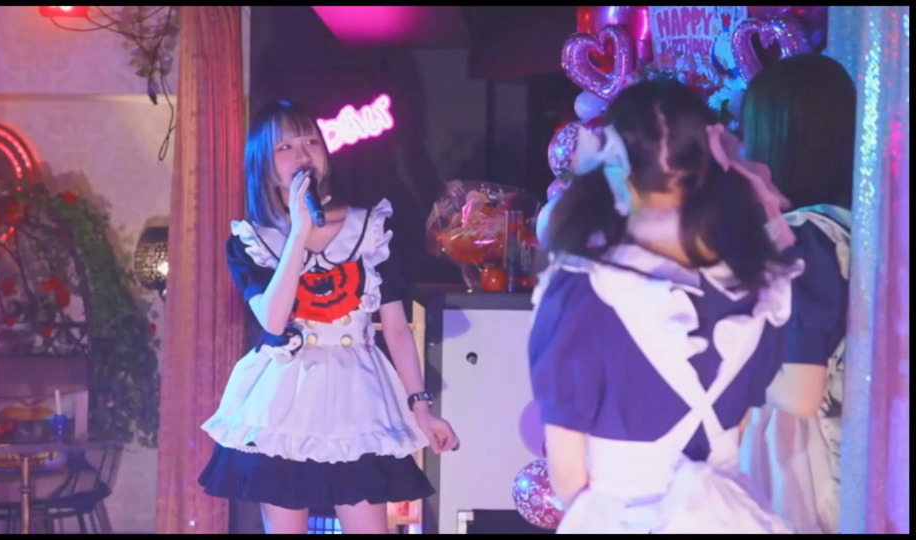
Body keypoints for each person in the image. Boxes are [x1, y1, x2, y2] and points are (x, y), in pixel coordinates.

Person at [529, 78, 819, 533]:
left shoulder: (580, 292)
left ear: (616, 172)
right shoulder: (763, 289)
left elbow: (567, 476)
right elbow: (738, 428)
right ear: (710, 170)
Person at [198, 100, 459, 534]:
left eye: (310, 141)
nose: (303, 153)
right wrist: (299, 233)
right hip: (283, 403)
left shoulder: (370, 229)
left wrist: (422, 409)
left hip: (357, 397)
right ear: (265, 168)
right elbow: (273, 322)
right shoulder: (252, 240)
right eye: (285, 147)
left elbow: (396, 328)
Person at [737, 53, 856, 534]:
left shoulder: (798, 237)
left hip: (801, 466)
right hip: (843, 460)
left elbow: (801, 393)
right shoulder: (851, 228)